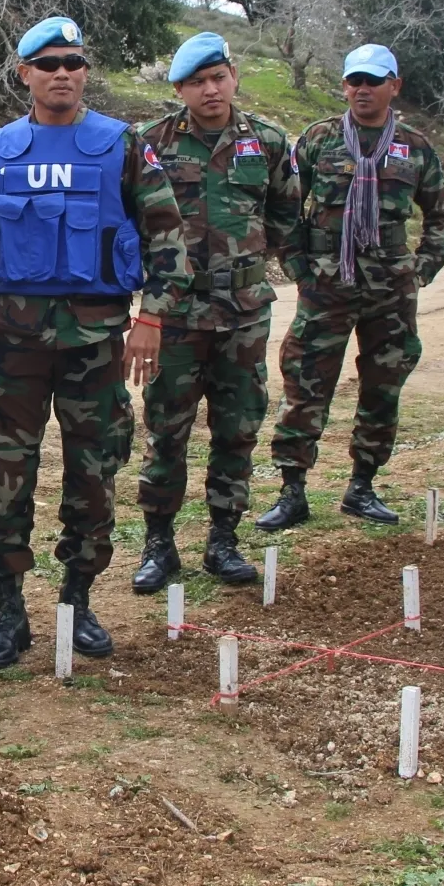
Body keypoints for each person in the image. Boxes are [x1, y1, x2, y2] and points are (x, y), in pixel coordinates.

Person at [0, 16, 191, 670]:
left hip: (94, 344)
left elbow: (166, 235)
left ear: (85, 72)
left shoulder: (123, 144)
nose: (62, 72)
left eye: (73, 62)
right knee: (4, 475)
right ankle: (9, 611)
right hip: (13, 348)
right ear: (23, 72)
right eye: (47, 62)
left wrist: (153, 319)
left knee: (93, 475)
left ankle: (77, 600)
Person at [258, 44, 444, 530]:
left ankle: (362, 486)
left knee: (382, 388)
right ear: (345, 86)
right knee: (305, 384)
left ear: (395, 85)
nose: (362, 89)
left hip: (390, 290)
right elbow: (284, 207)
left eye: (372, 80)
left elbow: (442, 215)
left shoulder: (413, 146)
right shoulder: (319, 140)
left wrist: (420, 270)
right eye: (354, 81)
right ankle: (292, 491)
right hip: (326, 286)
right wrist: (299, 267)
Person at [129, 33, 299, 593]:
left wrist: (244, 262)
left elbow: (284, 215)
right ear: (180, 88)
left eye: (219, 76)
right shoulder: (151, 144)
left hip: (244, 314)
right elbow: (135, 224)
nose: (211, 89)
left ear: (233, 77)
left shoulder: (268, 142)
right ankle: (159, 544)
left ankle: (223, 540)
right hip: (176, 314)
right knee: (166, 429)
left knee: (238, 427)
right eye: (198, 81)